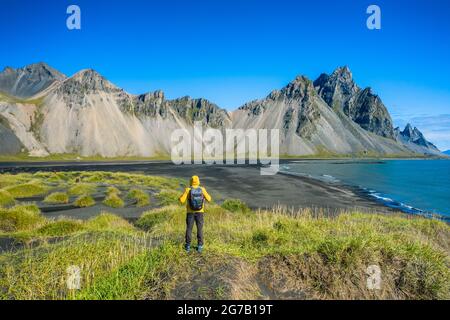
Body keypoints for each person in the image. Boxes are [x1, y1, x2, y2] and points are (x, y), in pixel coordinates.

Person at [178, 175, 212, 253]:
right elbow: (209, 199)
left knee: (189, 229)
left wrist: (180, 198)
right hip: (200, 212)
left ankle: (188, 246)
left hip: (190, 213)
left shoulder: (188, 189)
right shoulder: (202, 189)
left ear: (191, 181)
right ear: (198, 181)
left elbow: (182, 200)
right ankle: (200, 246)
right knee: (199, 229)